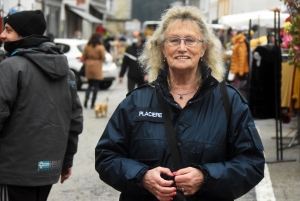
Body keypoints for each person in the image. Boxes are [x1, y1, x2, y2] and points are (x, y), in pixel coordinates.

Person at [95, 5, 265, 201]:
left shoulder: (230, 101)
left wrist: (206, 176)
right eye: (174, 40)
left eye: (190, 40)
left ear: (204, 48)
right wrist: (142, 176)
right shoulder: (137, 101)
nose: (182, 47)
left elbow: (252, 163)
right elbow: (106, 157)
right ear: (162, 48)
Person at [0, 10, 83, 201]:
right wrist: (66, 161)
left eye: (8, 30)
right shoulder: (67, 73)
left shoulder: (11, 67)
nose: (2, 35)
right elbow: (75, 121)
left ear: (24, 34)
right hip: (48, 169)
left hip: (13, 171)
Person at [82, 32, 106, 109]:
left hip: (89, 65)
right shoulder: (100, 47)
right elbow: (103, 57)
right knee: (96, 86)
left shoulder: (88, 46)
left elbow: (84, 55)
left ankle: (86, 100)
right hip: (97, 65)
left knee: (89, 85)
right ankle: (93, 103)